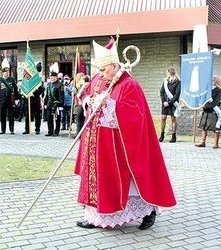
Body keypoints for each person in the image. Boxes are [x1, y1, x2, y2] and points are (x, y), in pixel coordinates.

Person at [74, 37, 176, 230]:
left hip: (122, 147)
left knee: (133, 181)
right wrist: (89, 102)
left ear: (114, 65)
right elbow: (88, 94)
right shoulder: (100, 78)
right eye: (99, 70)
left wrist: (110, 104)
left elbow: (135, 115)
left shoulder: (130, 85)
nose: (100, 74)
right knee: (100, 181)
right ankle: (96, 217)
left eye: (104, 70)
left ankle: (149, 212)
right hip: (98, 143)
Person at [195, 75, 221, 149]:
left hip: (213, 111)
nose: (211, 82)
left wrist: (206, 106)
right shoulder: (207, 90)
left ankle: (215, 143)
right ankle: (202, 141)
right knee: (204, 126)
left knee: (215, 128)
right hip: (206, 111)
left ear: (216, 81)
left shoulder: (219, 90)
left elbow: (215, 102)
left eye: (212, 80)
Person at [0, 58, 19, 134]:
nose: (7, 73)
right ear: (3, 73)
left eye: (8, 72)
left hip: (10, 99)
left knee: (11, 115)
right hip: (2, 100)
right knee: (2, 115)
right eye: (6, 72)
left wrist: (16, 98)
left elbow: (15, 89)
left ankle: (11, 129)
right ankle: (3, 130)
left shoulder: (12, 79)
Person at [159, 66, 181, 143]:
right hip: (165, 103)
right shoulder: (165, 81)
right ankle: (162, 134)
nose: (166, 73)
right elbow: (162, 92)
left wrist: (170, 102)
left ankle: (173, 135)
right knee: (163, 117)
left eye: (167, 72)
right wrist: (164, 101)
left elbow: (177, 94)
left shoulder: (177, 82)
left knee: (173, 119)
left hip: (173, 103)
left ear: (171, 73)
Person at [44, 62, 64, 136]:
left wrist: (60, 104)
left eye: (52, 78)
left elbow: (61, 96)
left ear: (56, 77)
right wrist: (45, 103)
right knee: (49, 118)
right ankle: (50, 131)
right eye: (50, 78)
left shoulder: (60, 85)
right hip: (49, 104)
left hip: (56, 104)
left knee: (57, 119)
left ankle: (56, 131)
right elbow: (47, 94)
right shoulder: (49, 84)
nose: (51, 79)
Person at [73, 74, 90, 138]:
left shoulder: (85, 85)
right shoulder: (89, 84)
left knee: (79, 119)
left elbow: (79, 95)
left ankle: (79, 134)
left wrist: (75, 92)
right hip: (84, 104)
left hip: (82, 104)